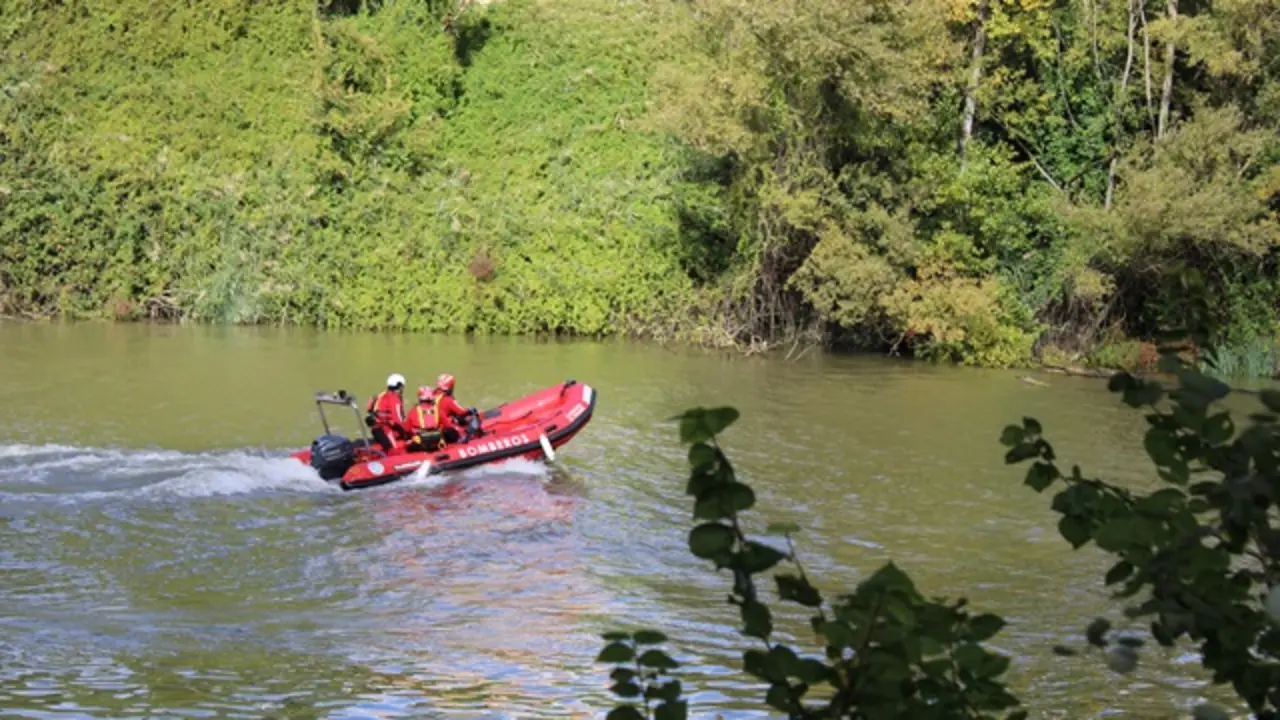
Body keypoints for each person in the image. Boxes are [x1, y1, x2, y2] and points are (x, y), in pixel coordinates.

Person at [365, 373, 411, 452]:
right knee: (394, 450)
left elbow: (369, 409)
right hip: (385, 429)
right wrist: (408, 433)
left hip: (376, 429)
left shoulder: (382, 395)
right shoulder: (394, 399)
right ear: (399, 386)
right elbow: (398, 420)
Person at [431, 373, 478, 445]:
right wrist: (471, 410)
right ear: (450, 387)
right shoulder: (448, 399)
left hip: (432, 427)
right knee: (471, 415)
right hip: (444, 429)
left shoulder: (431, 395)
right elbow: (461, 411)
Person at [405, 386, 443, 452]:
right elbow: (447, 424)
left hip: (420, 443)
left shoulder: (413, 411)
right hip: (436, 441)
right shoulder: (438, 409)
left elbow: (407, 429)